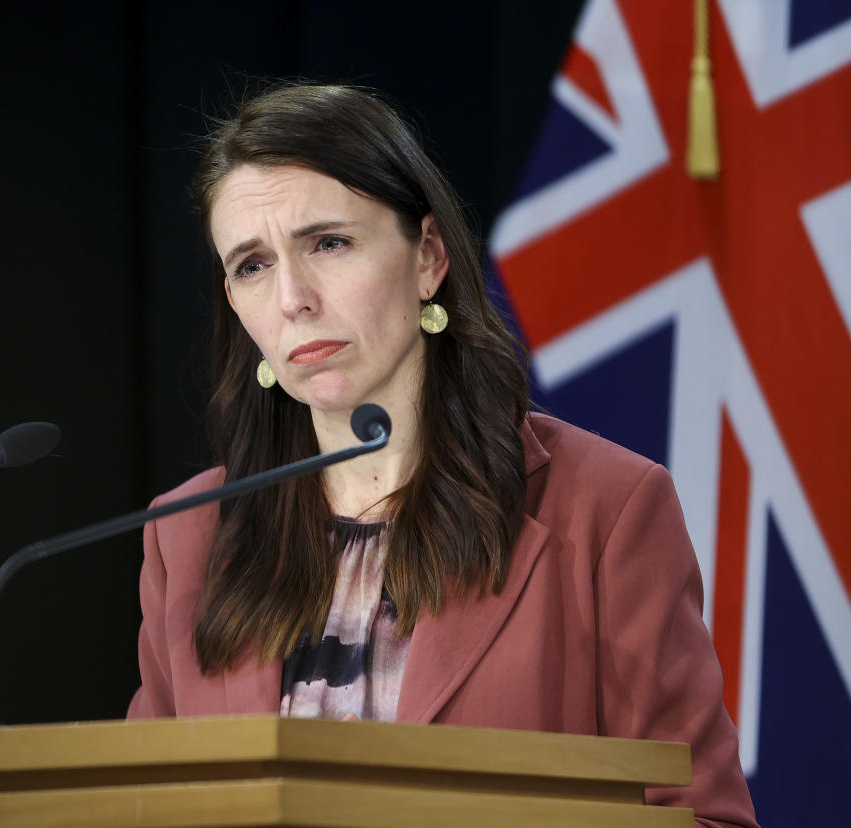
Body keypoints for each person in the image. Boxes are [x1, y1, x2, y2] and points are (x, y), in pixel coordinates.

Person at [127, 83, 757, 827]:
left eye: (328, 243)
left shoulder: (606, 509)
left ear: (428, 258)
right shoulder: (188, 534)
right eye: (252, 265)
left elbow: (705, 817)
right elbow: (146, 806)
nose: (293, 297)